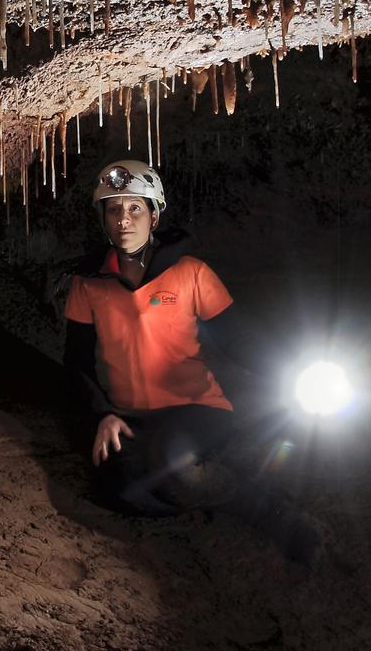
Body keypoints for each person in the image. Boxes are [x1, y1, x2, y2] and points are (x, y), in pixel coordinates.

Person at [63, 157, 330, 565]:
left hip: (198, 407)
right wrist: (102, 414)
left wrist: (293, 371)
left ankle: (276, 514)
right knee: (119, 493)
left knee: (176, 466)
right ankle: (197, 495)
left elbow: (236, 337)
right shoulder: (87, 284)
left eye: (136, 207)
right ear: (102, 216)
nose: (124, 218)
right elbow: (77, 360)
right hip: (131, 415)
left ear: (154, 215)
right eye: (114, 208)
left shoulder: (191, 273)